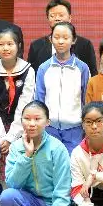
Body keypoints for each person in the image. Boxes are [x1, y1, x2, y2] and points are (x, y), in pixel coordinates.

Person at [0, 100, 73, 206]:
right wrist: (27, 155)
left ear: (47, 122)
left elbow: (63, 190)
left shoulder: (57, 148)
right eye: (27, 118)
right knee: (7, 196)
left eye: (37, 119)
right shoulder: (16, 147)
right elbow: (13, 184)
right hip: (32, 200)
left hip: (54, 203)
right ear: (21, 121)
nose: (31, 124)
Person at [0, 28, 36, 182]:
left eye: (10, 44)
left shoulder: (28, 71)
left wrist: (11, 137)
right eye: (1, 44)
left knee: (21, 166)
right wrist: (1, 139)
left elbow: (25, 105)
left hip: (22, 125)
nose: (5, 48)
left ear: (18, 46)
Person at [35, 21, 92, 151]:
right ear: (50, 39)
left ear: (73, 40)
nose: (60, 41)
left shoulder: (82, 68)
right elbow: (39, 100)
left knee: (73, 162)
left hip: (75, 129)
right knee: (49, 162)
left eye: (65, 38)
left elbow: (87, 100)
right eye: (56, 37)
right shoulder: (44, 68)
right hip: (49, 128)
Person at [27, 0, 97, 75]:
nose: (57, 18)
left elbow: (92, 75)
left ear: (70, 18)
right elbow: (31, 76)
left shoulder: (85, 45)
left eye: (61, 15)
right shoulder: (36, 46)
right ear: (48, 19)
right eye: (52, 16)